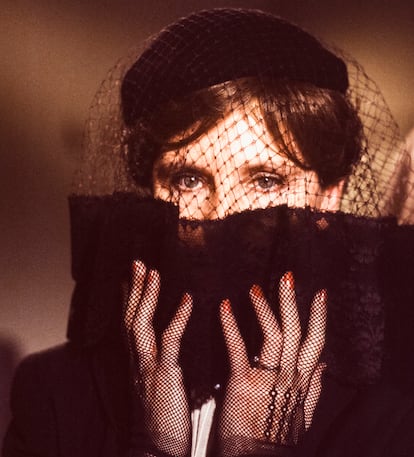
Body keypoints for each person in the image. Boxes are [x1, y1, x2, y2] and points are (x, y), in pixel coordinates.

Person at [3, 8, 414, 457]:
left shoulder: (393, 412)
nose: (221, 214)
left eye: (266, 181)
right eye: (189, 179)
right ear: (149, 192)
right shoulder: (53, 389)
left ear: (328, 196)